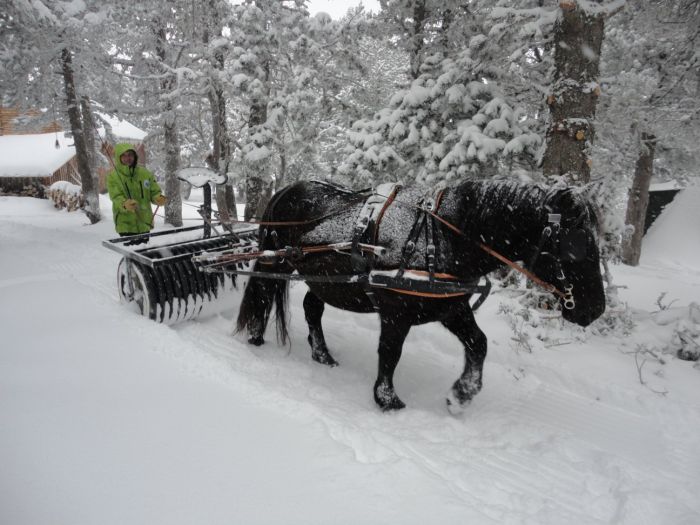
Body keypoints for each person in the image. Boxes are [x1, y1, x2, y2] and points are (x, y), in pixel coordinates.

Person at [106, 143, 166, 239]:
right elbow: (115, 196)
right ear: (118, 157)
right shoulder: (113, 177)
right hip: (125, 223)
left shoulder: (145, 173)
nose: (128, 158)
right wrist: (124, 203)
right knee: (130, 251)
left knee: (144, 251)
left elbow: (154, 191)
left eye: (130, 155)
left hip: (144, 221)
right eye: (124, 155)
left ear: (134, 156)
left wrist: (157, 198)